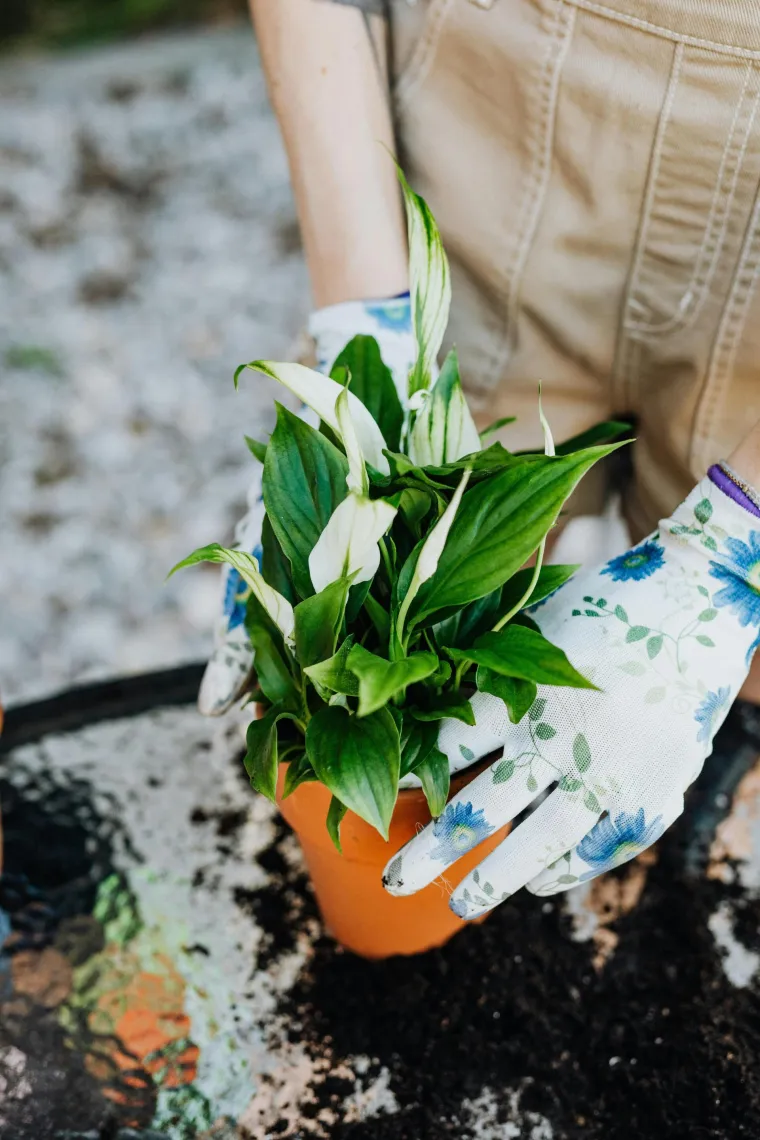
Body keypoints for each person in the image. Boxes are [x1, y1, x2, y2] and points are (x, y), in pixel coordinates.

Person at [200, 0, 760, 916]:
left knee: (725, 668)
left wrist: (733, 549)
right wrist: (366, 333)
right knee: (446, 573)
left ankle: (679, 886)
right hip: (500, 109)